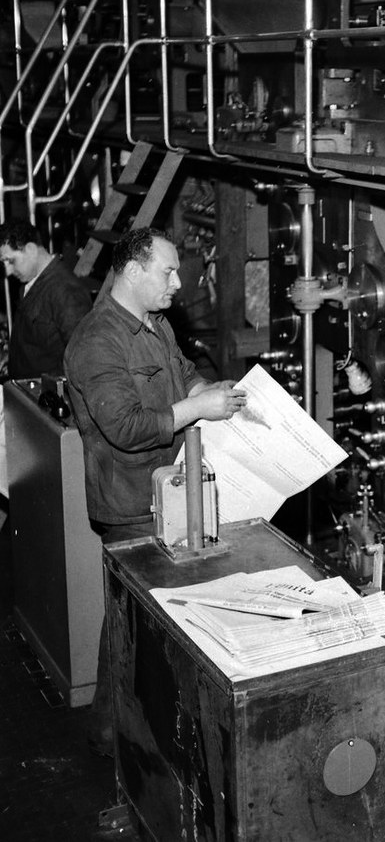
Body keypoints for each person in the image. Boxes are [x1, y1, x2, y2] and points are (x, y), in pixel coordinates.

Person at [64, 226, 247, 756]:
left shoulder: (156, 323)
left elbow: (183, 373)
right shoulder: (96, 341)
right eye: (167, 271)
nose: (178, 282)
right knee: (132, 629)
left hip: (171, 493)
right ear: (132, 271)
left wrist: (206, 391)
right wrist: (197, 409)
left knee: (156, 624)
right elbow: (125, 427)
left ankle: (150, 733)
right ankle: (117, 742)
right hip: (131, 505)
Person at [0, 219, 92, 379]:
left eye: (11, 261)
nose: (8, 271)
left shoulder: (67, 291)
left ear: (30, 249)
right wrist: (13, 358)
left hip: (44, 392)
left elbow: (82, 360)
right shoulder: (31, 283)